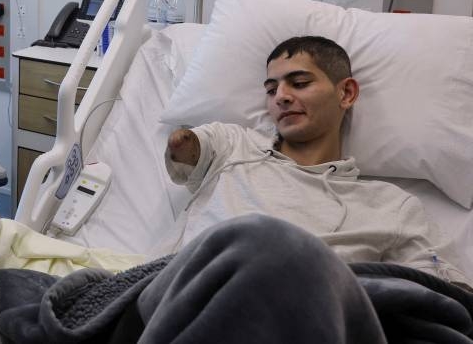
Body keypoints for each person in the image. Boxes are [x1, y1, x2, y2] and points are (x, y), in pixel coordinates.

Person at [164, 35, 470, 287]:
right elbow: (187, 149)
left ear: (347, 93)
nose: (281, 97)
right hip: (190, 292)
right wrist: (182, 140)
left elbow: (445, 297)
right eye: (271, 90)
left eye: (299, 83)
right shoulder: (235, 146)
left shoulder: (390, 206)